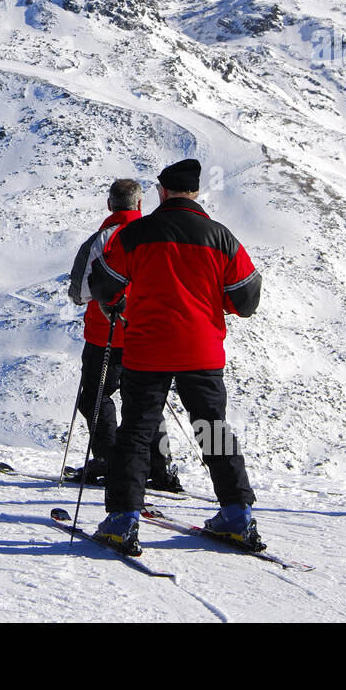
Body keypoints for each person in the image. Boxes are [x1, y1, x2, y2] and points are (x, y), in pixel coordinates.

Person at [87, 159, 263, 555]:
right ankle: (236, 514)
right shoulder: (222, 237)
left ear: (162, 191)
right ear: (196, 192)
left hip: (148, 348)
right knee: (212, 428)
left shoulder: (137, 233)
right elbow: (246, 298)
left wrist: (117, 303)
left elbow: (104, 284)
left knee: (136, 431)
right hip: (202, 349)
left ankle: (122, 520)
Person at [67, 178, 181, 492]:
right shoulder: (157, 236)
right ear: (140, 204)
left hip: (105, 335)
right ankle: (160, 468)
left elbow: (79, 293)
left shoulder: (99, 239)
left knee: (96, 397)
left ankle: (108, 459)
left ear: (109, 205)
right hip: (147, 335)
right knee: (147, 402)